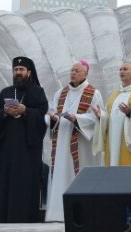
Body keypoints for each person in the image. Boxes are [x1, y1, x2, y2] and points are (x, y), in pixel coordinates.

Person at [0, 57, 49, 223]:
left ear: (29, 72)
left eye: (21, 70)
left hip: (27, 146)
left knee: (24, 181)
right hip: (8, 145)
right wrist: (3, 113)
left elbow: (42, 114)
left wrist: (26, 111)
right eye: (16, 70)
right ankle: (1, 217)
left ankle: (25, 216)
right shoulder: (6, 92)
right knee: (5, 180)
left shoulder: (37, 91)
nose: (18, 73)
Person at [44, 61, 103, 222]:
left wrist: (76, 118)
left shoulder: (93, 93)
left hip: (81, 144)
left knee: (79, 175)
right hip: (62, 140)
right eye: (72, 70)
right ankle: (58, 214)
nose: (73, 73)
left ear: (85, 74)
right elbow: (52, 113)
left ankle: (82, 214)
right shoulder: (60, 93)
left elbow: (96, 118)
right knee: (61, 173)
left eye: (77, 71)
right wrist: (53, 118)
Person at [93, 61, 131, 166]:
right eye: (120, 69)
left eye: (125, 69)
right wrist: (101, 115)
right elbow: (109, 116)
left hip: (130, 141)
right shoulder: (114, 94)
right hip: (112, 140)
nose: (121, 71)